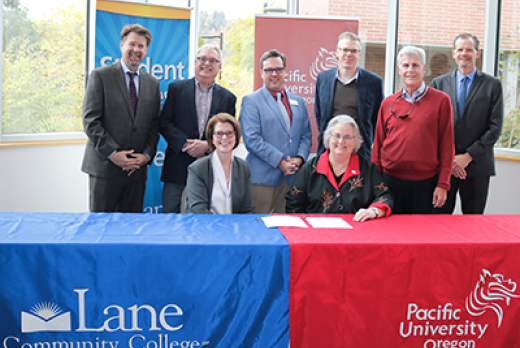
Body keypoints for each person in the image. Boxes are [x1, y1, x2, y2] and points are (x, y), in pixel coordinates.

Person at [81, 24, 161, 213]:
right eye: (132, 44)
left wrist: (146, 156)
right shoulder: (101, 76)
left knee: (131, 230)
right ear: (121, 45)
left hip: (136, 171)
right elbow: (91, 120)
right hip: (105, 168)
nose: (136, 50)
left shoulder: (153, 83)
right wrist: (113, 154)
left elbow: (154, 124)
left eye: (141, 46)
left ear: (146, 50)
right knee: (101, 230)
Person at [372, 46, 455, 214]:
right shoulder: (387, 103)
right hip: (390, 182)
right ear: (399, 70)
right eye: (406, 65)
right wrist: (376, 184)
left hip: (426, 184)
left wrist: (443, 184)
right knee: (392, 235)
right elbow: (378, 144)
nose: (410, 70)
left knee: (422, 236)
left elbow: (447, 145)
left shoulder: (441, 101)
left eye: (415, 65)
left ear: (424, 69)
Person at [431, 33, 503, 214]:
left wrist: (467, 157)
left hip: (477, 166)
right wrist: (451, 160)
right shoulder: (438, 84)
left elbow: (495, 128)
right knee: (439, 222)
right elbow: (432, 127)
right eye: (460, 50)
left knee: (473, 223)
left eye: (469, 50)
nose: (464, 54)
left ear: (477, 53)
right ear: (454, 53)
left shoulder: (492, 85)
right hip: (445, 167)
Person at [160, 44, 237, 213]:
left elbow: (230, 134)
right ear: (195, 62)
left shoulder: (228, 98)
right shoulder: (176, 89)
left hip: (210, 169)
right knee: (170, 219)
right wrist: (186, 146)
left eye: (212, 60)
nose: (206, 63)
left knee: (203, 221)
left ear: (219, 66)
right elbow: (164, 122)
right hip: (177, 167)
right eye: (202, 58)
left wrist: (208, 146)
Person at [240, 49, 312, 213]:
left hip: (294, 179)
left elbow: (306, 135)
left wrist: (299, 160)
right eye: (269, 70)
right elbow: (252, 139)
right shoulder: (251, 101)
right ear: (261, 73)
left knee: (289, 231)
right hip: (263, 180)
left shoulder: (298, 101)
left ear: (285, 72)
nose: (274, 74)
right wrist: (281, 163)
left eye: (278, 69)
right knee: (260, 230)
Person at [286, 116, 393, 221]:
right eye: (337, 136)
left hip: (357, 231)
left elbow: (385, 196)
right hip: (318, 232)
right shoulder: (310, 169)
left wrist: (373, 211)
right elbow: (293, 203)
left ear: (355, 141)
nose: (341, 142)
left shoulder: (368, 169)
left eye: (347, 137)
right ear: (329, 138)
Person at [314, 32, 384, 158]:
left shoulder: (374, 82)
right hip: (329, 151)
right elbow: (319, 114)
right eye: (345, 50)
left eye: (353, 51)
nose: (349, 54)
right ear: (337, 52)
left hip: (360, 153)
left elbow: (377, 118)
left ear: (359, 54)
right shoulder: (323, 78)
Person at [185, 113, 255, 214]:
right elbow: (198, 210)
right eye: (219, 133)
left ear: (236, 137)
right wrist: (222, 228)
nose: (224, 137)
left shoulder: (243, 167)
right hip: (205, 226)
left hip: (234, 227)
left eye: (229, 133)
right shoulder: (197, 168)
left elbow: (247, 209)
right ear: (211, 138)